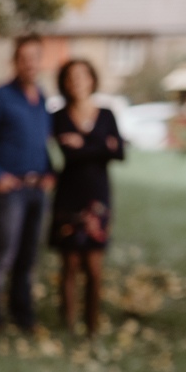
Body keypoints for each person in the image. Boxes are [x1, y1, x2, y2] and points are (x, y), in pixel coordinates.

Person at [0, 34, 57, 334]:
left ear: (41, 62)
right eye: (24, 58)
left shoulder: (41, 99)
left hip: (35, 191)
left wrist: (49, 172)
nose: (30, 64)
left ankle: (23, 315)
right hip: (9, 192)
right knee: (2, 256)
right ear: (15, 62)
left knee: (28, 257)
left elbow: (40, 143)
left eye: (35, 58)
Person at [49, 58, 125, 338]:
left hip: (98, 196)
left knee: (94, 267)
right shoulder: (58, 116)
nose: (77, 82)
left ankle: (92, 326)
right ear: (64, 83)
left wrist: (84, 144)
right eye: (70, 77)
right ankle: (68, 324)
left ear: (92, 79)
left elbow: (120, 153)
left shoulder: (106, 114)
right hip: (69, 194)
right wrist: (101, 145)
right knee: (69, 264)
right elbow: (70, 155)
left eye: (82, 76)